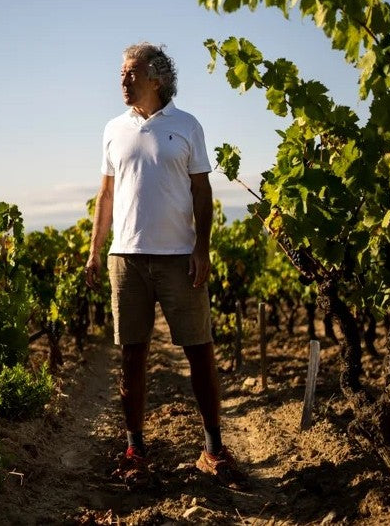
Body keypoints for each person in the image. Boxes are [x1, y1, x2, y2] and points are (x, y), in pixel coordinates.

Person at [85, 42, 246, 488]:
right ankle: (135, 449)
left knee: (200, 350)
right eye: (121, 72)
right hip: (126, 258)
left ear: (156, 78)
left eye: (132, 73)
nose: (123, 80)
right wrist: (96, 250)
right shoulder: (113, 129)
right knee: (131, 354)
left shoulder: (187, 125)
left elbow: (202, 190)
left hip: (179, 258)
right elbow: (106, 194)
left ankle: (213, 449)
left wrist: (202, 248)